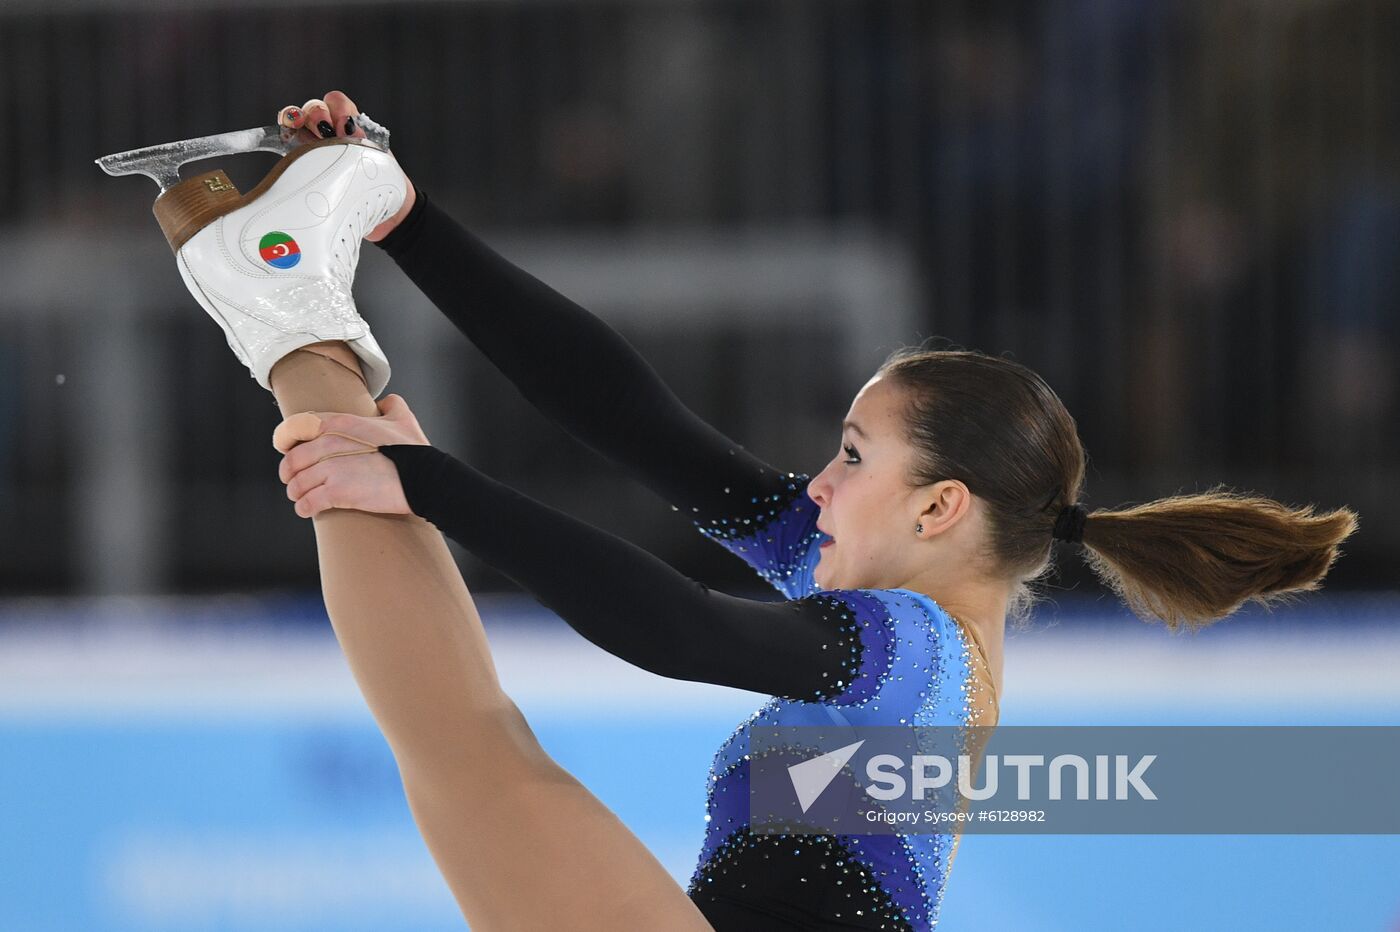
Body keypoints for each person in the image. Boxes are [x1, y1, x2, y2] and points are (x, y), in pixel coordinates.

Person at [183, 91, 1358, 931]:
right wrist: (409, 222)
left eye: (850, 455)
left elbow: (680, 628)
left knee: (471, 747)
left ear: (940, 503)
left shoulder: (910, 650)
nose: (815, 483)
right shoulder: (887, 594)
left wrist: (431, 481)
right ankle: (288, 297)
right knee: (465, 740)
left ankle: (282, 303)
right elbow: (634, 419)